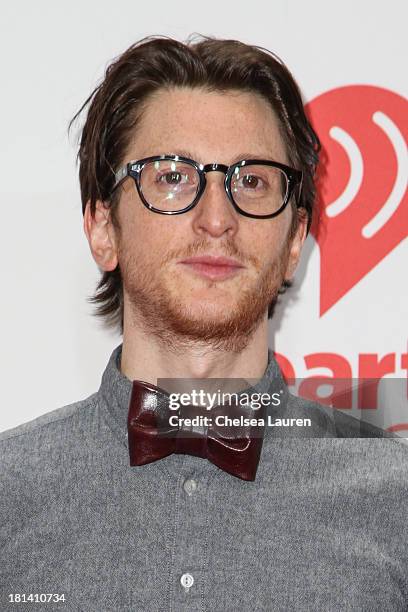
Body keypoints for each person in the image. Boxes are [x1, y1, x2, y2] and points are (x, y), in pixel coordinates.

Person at [1, 35, 407, 612]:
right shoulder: (7, 497)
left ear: (294, 240)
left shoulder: (397, 501)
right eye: (172, 176)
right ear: (102, 228)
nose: (216, 219)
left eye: (252, 181)